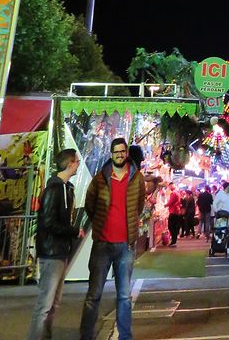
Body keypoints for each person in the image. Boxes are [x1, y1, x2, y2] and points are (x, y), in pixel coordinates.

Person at [79, 137, 145, 340]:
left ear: (126, 153)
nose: (119, 155)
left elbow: (139, 205)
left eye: (122, 151)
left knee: (124, 296)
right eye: (116, 152)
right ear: (111, 154)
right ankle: (86, 336)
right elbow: (90, 204)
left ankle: (125, 336)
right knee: (94, 295)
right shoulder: (100, 179)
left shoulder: (137, 178)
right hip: (102, 244)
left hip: (125, 245)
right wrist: (100, 224)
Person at [26, 148, 83, 340]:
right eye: (76, 161)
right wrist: (73, 231)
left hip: (59, 251)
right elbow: (49, 222)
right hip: (51, 253)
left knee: (53, 303)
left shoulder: (66, 189)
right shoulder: (54, 189)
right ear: (69, 164)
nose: (78, 164)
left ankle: (45, 336)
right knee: (45, 304)